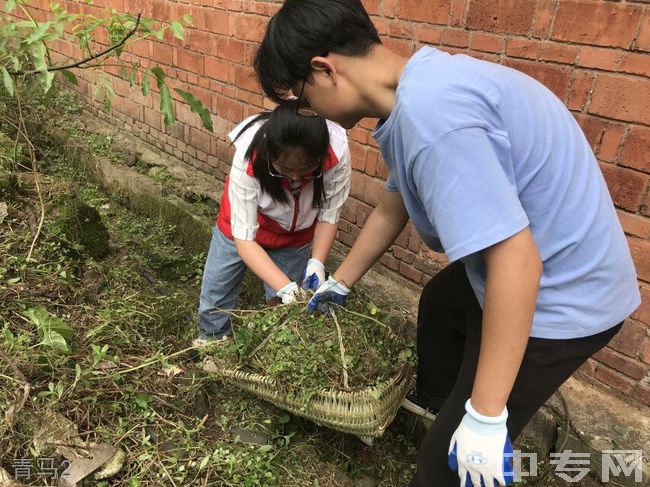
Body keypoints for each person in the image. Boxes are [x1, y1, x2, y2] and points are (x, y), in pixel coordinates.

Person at [253, 1, 641, 486]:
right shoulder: (423, 84)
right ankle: (442, 407)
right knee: (442, 303)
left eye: (303, 100)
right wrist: (340, 282)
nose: (310, 114)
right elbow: (395, 203)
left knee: (442, 470)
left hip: (563, 295)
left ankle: (464, 436)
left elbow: (518, 263)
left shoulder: (433, 119)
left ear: (324, 69)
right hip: (548, 254)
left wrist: (484, 415)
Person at [195, 100, 351, 348]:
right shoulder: (248, 158)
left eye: (307, 169)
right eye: (286, 169)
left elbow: (329, 215)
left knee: (283, 308)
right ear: (270, 153)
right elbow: (245, 241)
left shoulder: (336, 154)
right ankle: (212, 342)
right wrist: (285, 286)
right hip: (241, 228)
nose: (296, 177)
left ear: (320, 156)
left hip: (294, 235)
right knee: (217, 292)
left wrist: (317, 262)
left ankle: (273, 351)